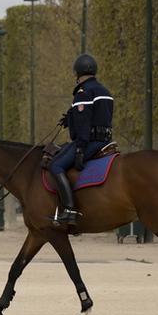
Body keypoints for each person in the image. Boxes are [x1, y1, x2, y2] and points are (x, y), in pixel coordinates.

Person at [48, 53, 114, 224]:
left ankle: (69, 209)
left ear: (77, 73)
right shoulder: (104, 91)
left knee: (55, 165)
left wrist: (80, 148)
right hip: (105, 140)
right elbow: (98, 116)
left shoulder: (83, 93)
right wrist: (69, 119)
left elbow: (84, 124)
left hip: (90, 141)